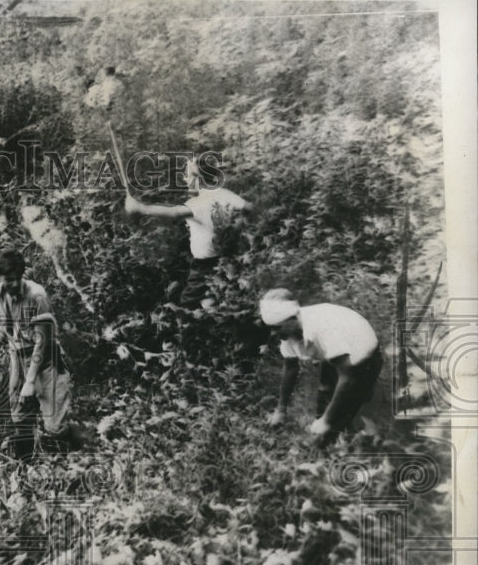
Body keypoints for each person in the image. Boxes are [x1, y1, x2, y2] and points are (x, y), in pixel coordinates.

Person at [0, 249, 73, 459]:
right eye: (5, 280)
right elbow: (3, 324)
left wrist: (30, 382)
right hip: (18, 356)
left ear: (21, 275)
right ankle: (25, 466)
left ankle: (71, 453)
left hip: (46, 359)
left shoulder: (37, 296)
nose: (9, 285)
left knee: (56, 427)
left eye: (13, 280)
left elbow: (42, 341)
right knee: (19, 416)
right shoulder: (0, 291)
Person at [259, 288, 383, 447]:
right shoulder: (287, 331)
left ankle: (363, 438)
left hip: (362, 357)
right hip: (336, 355)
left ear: (294, 318)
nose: (274, 334)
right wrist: (281, 410)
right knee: (325, 398)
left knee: (345, 416)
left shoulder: (323, 328)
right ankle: (332, 435)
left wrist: (326, 421)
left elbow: (348, 378)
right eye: (271, 328)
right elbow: (290, 368)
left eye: (277, 328)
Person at [124, 158, 253, 309]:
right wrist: (239, 226)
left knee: (187, 304)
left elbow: (174, 212)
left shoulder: (197, 203)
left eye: (187, 175)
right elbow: (249, 207)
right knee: (216, 293)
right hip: (228, 258)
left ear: (197, 178)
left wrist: (141, 209)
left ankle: (195, 318)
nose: (184, 179)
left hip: (204, 264)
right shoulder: (225, 194)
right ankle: (213, 306)